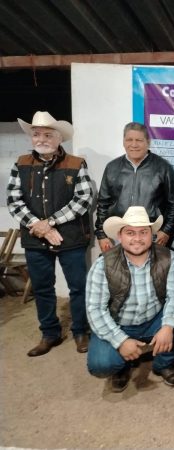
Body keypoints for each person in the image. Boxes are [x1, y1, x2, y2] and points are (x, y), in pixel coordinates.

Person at [7, 111, 93, 356]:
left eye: (47, 134)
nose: (41, 139)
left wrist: (51, 223)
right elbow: (14, 200)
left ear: (58, 138)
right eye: (36, 134)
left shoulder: (76, 163)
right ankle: (49, 333)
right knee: (42, 287)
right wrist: (40, 226)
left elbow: (83, 199)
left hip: (71, 237)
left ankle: (80, 330)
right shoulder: (21, 164)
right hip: (35, 237)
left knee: (78, 286)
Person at [86, 207, 174, 393]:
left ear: (152, 234)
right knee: (101, 364)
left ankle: (163, 364)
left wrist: (167, 326)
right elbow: (95, 309)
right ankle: (121, 366)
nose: (137, 238)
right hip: (118, 323)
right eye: (130, 233)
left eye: (143, 232)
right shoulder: (103, 264)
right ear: (120, 236)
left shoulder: (170, 258)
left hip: (154, 320)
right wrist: (120, 341)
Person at [95, 122, 174, 252]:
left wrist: (166, 230)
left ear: (148, 142)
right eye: (129, 140)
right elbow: (103, 203)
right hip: (119, 235)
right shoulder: (112, 167)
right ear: (123, 142)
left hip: (153, 235)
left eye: (139, 140)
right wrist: (101, 234)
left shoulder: (163, 167)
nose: (134, 144)